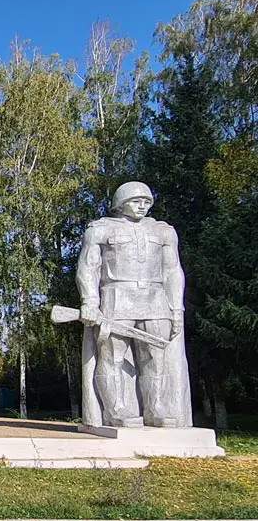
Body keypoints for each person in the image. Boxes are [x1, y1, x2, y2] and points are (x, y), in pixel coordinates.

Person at [76, 181, 190, 427]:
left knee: (155, 357)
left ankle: (155, 407)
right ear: (121, 203)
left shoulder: (163, 231)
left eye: (147, 202)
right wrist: (89, 301)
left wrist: (176, 308)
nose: (142, 206)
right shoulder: (100, 229)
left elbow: (172, 271)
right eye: (136, 201)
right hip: (117, 298)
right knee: (112, 356)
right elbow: (88, 268)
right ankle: (115, 409)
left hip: (155, 298)